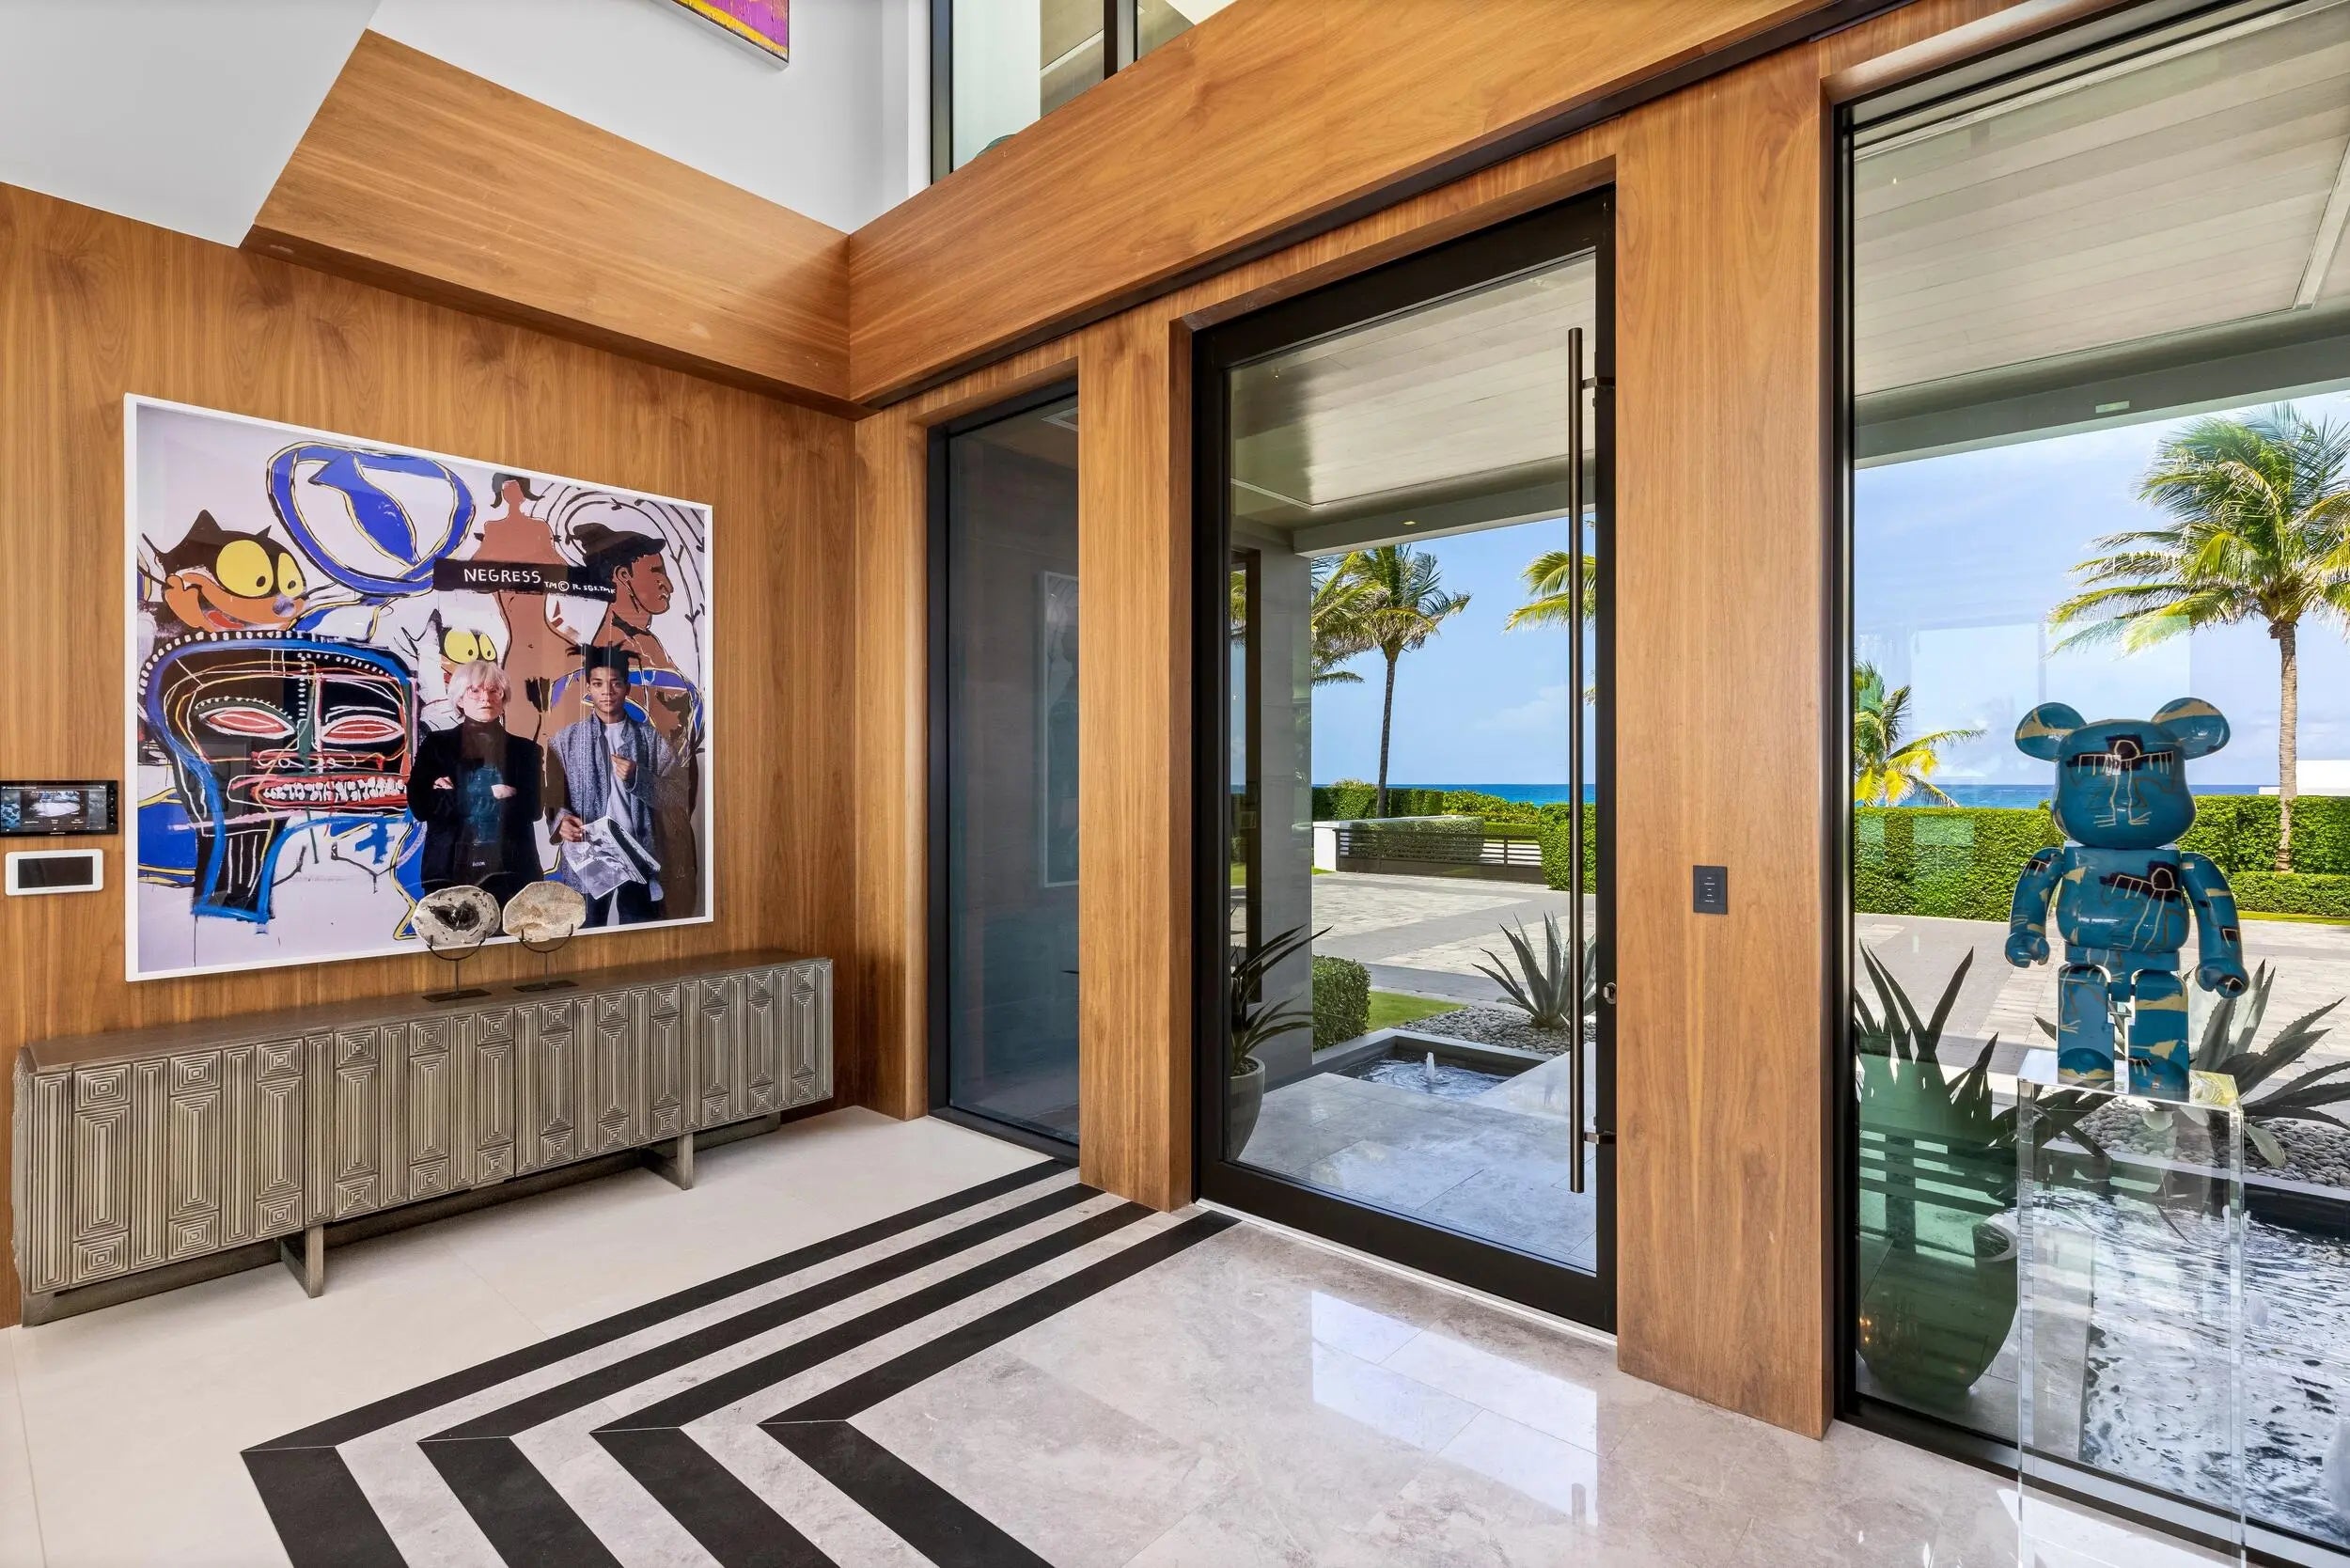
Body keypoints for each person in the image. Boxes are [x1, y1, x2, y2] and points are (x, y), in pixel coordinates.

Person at [544, 647, 682, 927]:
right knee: (584, 933)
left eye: (615, 683)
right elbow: (553, 798)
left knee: (639, 935)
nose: (607, 691)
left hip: (639, 853)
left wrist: (638, 777)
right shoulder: (565, 741)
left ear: (627, 688)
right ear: (588, 688)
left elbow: (676, 795)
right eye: (598, 684)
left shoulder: (651, 740)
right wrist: (561, 822)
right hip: (588, 854)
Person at [406, 659, 544, 905]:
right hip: (448, 873)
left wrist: (454, 794)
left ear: (503, 698)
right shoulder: (436, 745)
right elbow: (421, 806)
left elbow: (532, 809)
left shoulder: (526, 750)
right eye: (475, 691)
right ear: (460, 699)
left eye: (494, 691)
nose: (486, 698)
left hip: (512, 874)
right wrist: (493, 793)